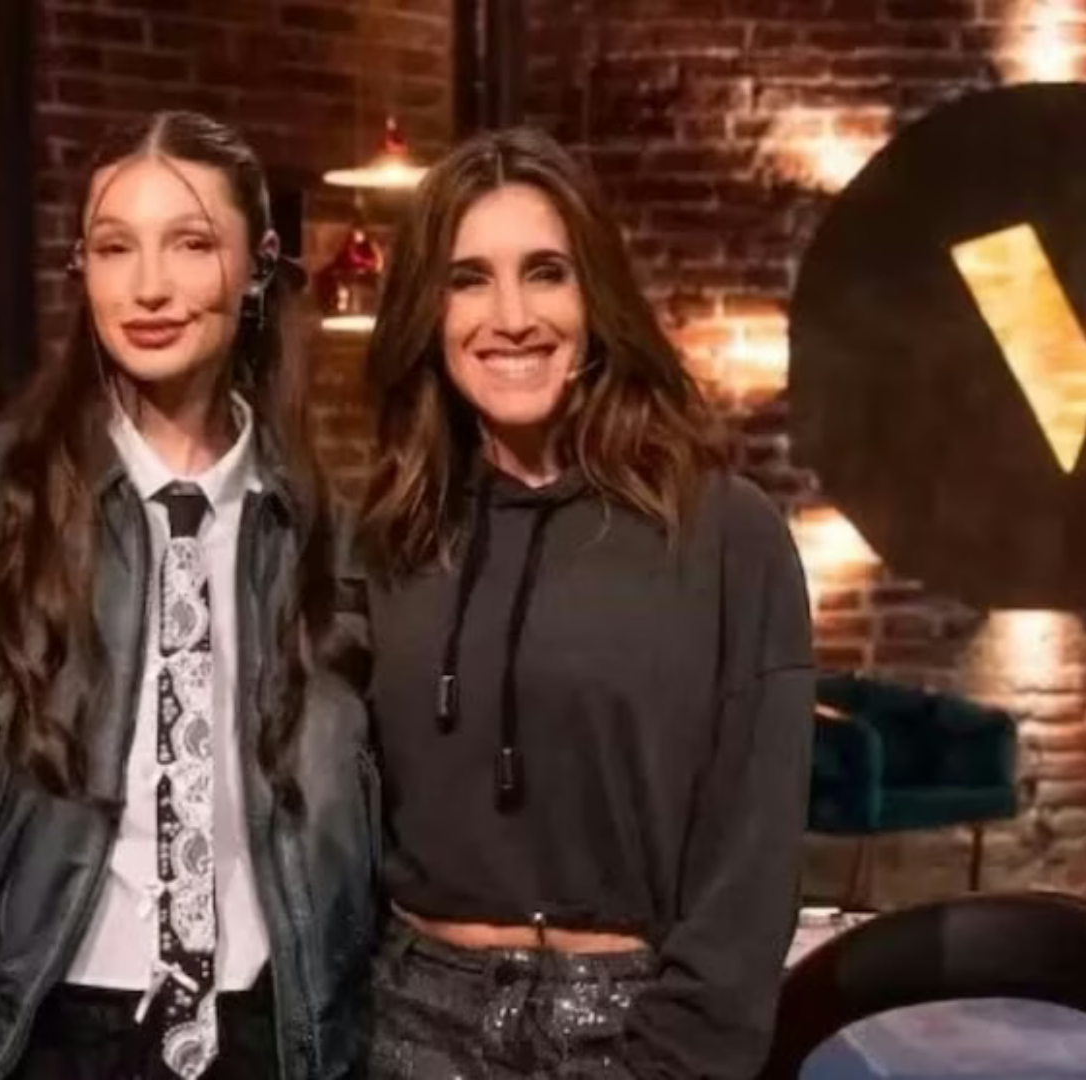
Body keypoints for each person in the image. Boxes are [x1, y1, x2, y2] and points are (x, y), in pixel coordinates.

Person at [0, 110, 377, 1080]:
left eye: (191, 244)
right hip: (44, 1043)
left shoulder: (328, 541)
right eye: (113, 247)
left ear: (259, 267)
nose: (148, 286)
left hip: (277, 1040)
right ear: (81, 270)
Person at [354, 126, 816, 1079]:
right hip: (409, 1024)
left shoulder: (723, 533)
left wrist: (679, 1059)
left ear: (595, 296)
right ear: (428, 314)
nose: (511, 316)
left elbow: (753, 854)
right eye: (469, 280)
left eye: (546, 273)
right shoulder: (391, 535)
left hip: (632, 1029)